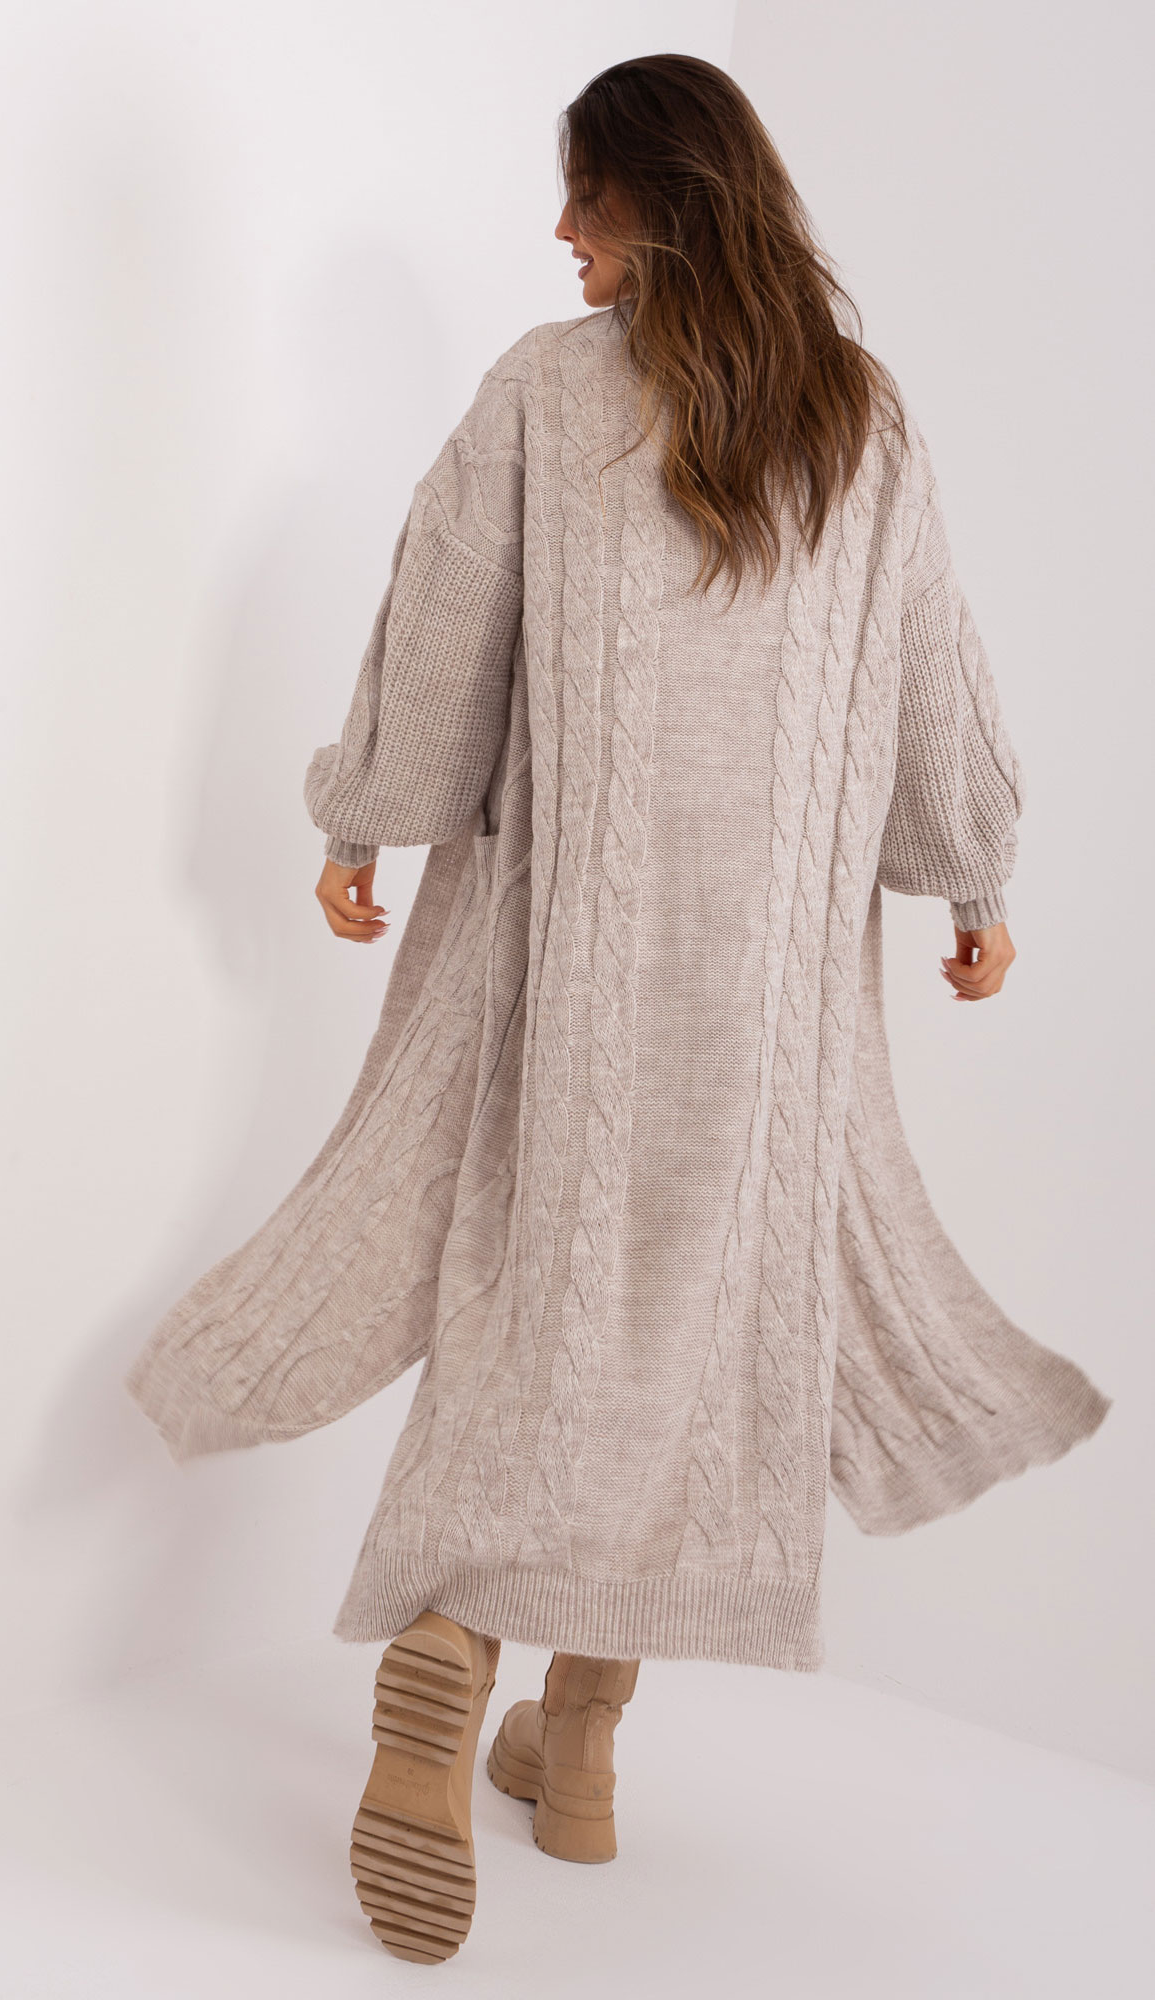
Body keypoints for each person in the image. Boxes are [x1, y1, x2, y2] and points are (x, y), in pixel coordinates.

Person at [126, 54, 1109, 1964]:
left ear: (665, 195)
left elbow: (439, 639)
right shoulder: (861, 415)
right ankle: (571, 1753)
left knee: (550, 1307)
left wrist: (363, 819)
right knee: (705, 1340)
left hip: (579, 965)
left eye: (584, 194)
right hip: (778, 1007)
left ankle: (454, 1638)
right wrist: (979, 883)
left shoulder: (542, 392)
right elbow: (936, 672)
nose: (559, 230)